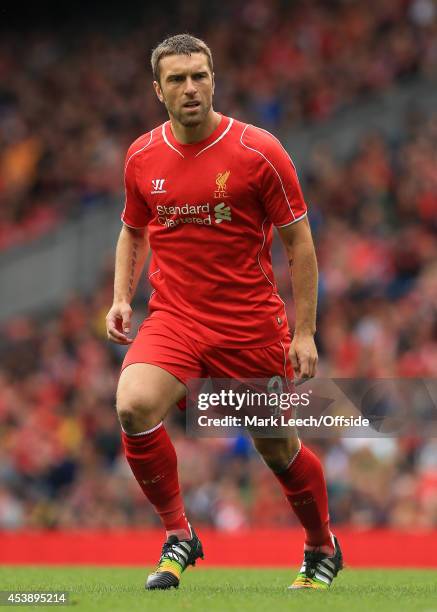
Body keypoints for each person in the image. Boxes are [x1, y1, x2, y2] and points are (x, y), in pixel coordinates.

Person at [106, 33, 343, 591]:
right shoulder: (142, 155)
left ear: (214, 78)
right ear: (158, 90)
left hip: (248, 325)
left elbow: (300, 245)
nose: (191, 87)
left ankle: (320, 545)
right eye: (177, 79)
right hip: (175, 319)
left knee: (278, 448)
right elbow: (132, 229)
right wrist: (121, 297)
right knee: (133, 406)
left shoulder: (259, 151)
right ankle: (178, 533)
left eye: (200, 75)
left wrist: (304, 332)